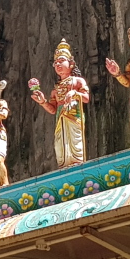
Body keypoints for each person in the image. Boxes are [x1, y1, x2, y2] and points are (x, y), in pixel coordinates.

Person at [30, 39, 91, 168]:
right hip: (60, 118)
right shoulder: (55, 89)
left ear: (71, 64)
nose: (58, 64)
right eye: (56, 62)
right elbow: (53, 109)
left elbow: (86, 98)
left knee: (74, 141)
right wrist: (43, 102)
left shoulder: (78, 81)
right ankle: (63, 166)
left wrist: (75, 93)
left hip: (74, 116)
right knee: (61, 144)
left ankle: (77, 164)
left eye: (61, 61)